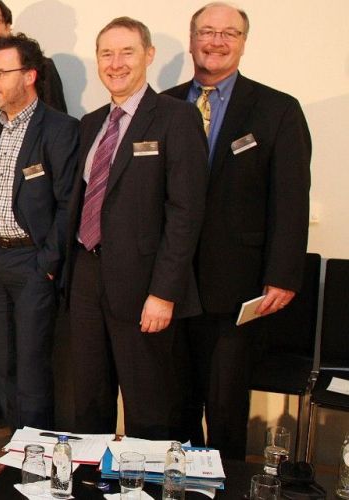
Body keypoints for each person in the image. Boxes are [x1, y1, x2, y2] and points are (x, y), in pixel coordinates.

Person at [163, 2, 311, 459]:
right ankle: (180, 481)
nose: (216, 41)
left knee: (225, 405)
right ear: (192, 40)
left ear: (244, 43)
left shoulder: (277, 109)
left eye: (229, 33)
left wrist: (282, 274)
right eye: (207, 31)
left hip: (235, 286)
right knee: (174, 402)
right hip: (169, 284)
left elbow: (291, 200)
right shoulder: (162, 105)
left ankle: (224, 485)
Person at [66, 17, 208, 440]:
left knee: (148, 403)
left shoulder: (176, 117)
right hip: (87, 274)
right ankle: (90, 473)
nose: (116, 63)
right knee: (89, 397)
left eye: (127, 52)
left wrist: (164, 293)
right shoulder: (91, 122)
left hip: (144, 283)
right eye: (106, 54)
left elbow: (185, 214)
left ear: (148, 55)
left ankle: (144, 476)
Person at [0, 33, 79, 480]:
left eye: (2, 73)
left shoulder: (59, 128)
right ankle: (16, 451)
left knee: (33, 367)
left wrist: (48, 264)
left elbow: (68, 203)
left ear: (30, 76)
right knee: (5, 365)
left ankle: (36, 462)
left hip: (33, 262)